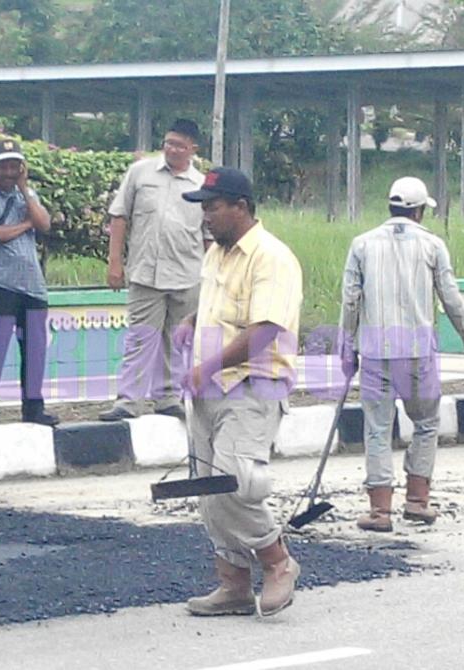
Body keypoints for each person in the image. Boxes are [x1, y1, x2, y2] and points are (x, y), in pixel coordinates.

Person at [175, 167, 303, 617]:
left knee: (235, 483)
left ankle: (277, 560)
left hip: (252, 387)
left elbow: (265, 328)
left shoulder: (271, 257)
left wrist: (208, 364)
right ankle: (232, 583)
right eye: (203, 208)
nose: (205, 217)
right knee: (209, 490)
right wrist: (192, 322)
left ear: (241, 207)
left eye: (212, 207)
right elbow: (220, 303)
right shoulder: (216, 254)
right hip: (208, 388)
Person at [339, 176, 464, 533]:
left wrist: (347, 347)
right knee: (425, 423)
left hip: (376, 352)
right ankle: (417, 502)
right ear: (420, 210)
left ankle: (379, 512)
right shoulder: (432, 245)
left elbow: (350, 300)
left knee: (377, 428)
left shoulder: (361, 245)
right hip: (418, 353)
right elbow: (451, 298)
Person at [99, 119, 208, 422]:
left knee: (176, 338)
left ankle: (168, 397)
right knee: (140, 337)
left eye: (180, 145)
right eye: (169, 142)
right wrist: (115, 262)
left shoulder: (200, 184)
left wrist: (213, 277)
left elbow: (208, 235)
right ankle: (128, 401)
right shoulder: (140, 173)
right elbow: (119, 217)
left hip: (187, 273)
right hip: (145, 273)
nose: (172, 149)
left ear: (192, 149)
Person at [0, 138, 58, 427]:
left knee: (34, 350)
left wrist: (25, 191)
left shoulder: (25, 195)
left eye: (14, 165)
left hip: (32, 286)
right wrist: (26, 224)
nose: (9, 171)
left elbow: (45, 224)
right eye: (3, 165)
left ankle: (33, 408)